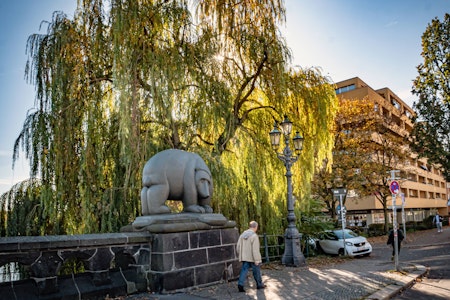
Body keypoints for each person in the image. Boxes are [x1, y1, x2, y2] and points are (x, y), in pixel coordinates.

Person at [236, 221, 265, 292]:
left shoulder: (242, 235)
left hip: (245, 257)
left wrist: (241, 255)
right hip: (252, 258)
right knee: (256, 271)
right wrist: (257, 260)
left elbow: (238, 247)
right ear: (255, 227)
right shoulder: (254, 236)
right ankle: (259, 284)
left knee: (244, 270)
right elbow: (255, 250)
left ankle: (240, 284)